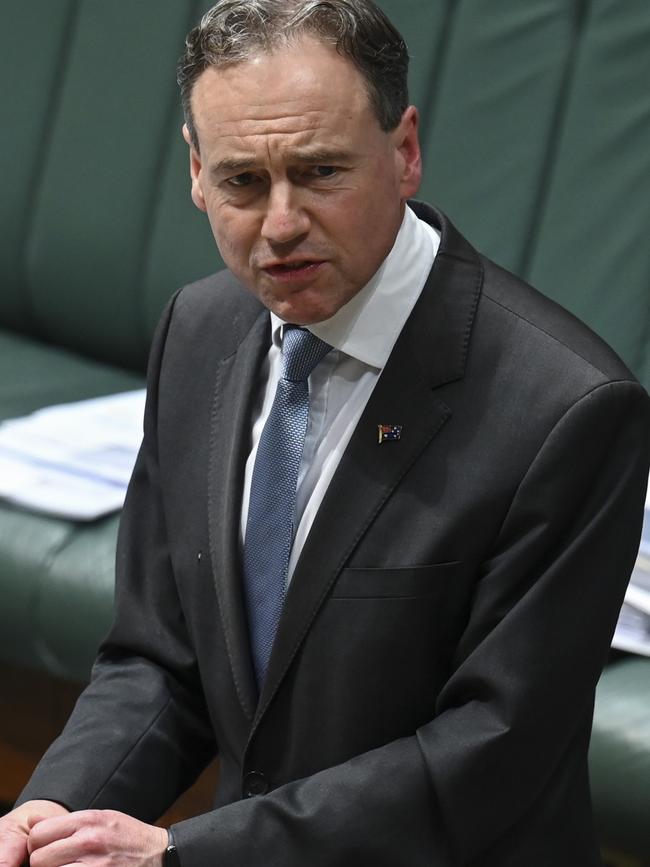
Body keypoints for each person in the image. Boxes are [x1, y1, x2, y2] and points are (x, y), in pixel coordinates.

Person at [2, 1, 649, 865]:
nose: (279, 224)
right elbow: (161, 659)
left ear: (406, 150)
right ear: (196, 174)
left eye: (319, 172)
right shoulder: (197, 330)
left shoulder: (569, 409)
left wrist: (184, 854)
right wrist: (56, 809)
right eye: (241, 181)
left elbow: (492, 749)